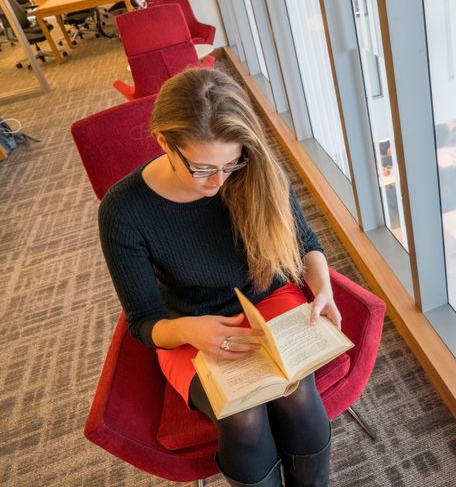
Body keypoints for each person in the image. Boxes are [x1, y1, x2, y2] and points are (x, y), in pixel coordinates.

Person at [98, 69, 339, 487]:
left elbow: (304, 241)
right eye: (202, 168)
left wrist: (323, 287)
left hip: (266, 297)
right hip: (189, 324)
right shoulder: (124, 211)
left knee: (297, 393)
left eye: (231, 164)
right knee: (242, 415)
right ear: (163, 142)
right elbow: (143, 322)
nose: (218, 181)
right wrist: (192, 329)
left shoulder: (253, 169)